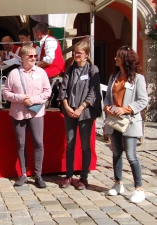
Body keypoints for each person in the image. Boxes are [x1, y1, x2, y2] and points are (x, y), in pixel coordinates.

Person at [104, 46, 148, 203]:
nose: (115, 58)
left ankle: (139, 188)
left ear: (126, 59)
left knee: (131, 155)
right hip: (114, 121)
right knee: (116, 153)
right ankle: (118, 183)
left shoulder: (137, 78)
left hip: (129, 121)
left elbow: (143, 100)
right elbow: (108, 97)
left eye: (118, 56)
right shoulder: (113, 77)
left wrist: (126, 109)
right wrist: (107, 106)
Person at [3, 45, 51, 188]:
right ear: (23, 57)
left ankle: (38, 175)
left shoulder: (41, 72)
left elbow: (47, 91)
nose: (33, 58)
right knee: (21, 143)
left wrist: (34, 100)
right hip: (18, 113)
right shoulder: (14, 74)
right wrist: (20, 98)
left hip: (36, 112)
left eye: (35, 56)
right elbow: (6, 93)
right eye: (30, 56)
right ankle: (23, 174)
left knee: (38, 142)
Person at [57, 41, 101, 190]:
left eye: (79, 53)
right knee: (70, 144)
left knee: (85, 145)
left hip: (85, 112)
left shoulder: (92, 70)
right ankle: (69, 175)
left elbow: (93, 92)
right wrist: (67, 106)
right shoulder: (70, 69)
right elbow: (63, 89)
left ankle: (83, 177)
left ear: (86, 55)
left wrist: (81, 108)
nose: (75, 55)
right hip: (69, 110)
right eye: (74, 52)